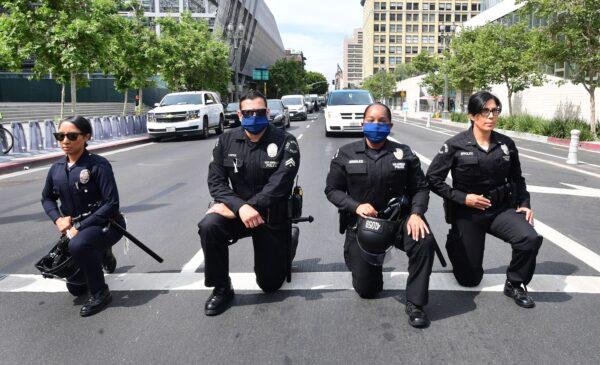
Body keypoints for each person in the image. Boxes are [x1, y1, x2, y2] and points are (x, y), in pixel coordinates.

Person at [426, 91, 542, 308]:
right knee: (469, 280)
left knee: (529, 239)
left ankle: (515, 283)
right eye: (485, 111)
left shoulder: (506, 145)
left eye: (495, 111)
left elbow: (517, 179)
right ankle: (456, 244)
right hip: (467, 213)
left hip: (499, 210)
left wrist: (524, 204)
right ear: (472, 115)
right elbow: (432, 179)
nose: (491, 116)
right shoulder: (455, 145)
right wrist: (463, 198)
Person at [325, 102, 437, 328]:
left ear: (390, 125)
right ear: (362, 123)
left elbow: (420, 188)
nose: (376, 125)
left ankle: (415, 303)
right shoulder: (345, 153)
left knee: (424, 241)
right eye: (371, 120)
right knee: (367, 290)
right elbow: (332, 190)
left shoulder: (403, 153)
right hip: (363, 226)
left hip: (399, 220)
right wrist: (355, 206)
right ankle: (366, 263)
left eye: (382, 121)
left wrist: (416, 213)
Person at [198, 90, 301, 316]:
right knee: (209, 226)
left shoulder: (286, 141)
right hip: (238, 212)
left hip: (271, 216)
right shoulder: (226, 140)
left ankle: (288, 240)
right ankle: (222, 288)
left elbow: (279, 186)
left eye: (259, 112)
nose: (254, 117)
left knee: (270, 285)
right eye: (248, 112)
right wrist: (240, 207)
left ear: (268, 112)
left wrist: (245, 207)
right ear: (239, 114)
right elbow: (216, 183)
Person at [41, 116, 124, 317]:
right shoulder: (56, 169)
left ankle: (100, 293)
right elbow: (47, 198)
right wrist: (58, 218)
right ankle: (101, 253)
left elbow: (112, 204)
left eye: (72, 136)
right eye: (60, 136)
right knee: (76, 287)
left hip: (107, 223)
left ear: (86, 137)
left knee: (78, 245)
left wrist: (82, 226)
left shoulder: (98, 165)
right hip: (75, 229)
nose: (65, 141)